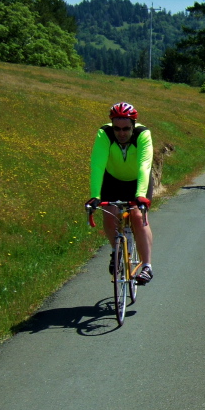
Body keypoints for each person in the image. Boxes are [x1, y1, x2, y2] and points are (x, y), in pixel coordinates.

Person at [84, 102, 154, 285]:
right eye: (117, 129)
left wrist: (140, 195)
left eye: (126, 128)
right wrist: (95, 196)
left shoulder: (142, 135)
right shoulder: (104, 134)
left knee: (138, 216)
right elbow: (97, 165)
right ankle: (116, 250)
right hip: (112, 179)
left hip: (138, 180)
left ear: (133, 125)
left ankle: (147, 266)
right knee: (109, 215)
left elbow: (144, 166)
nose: (121, 133)